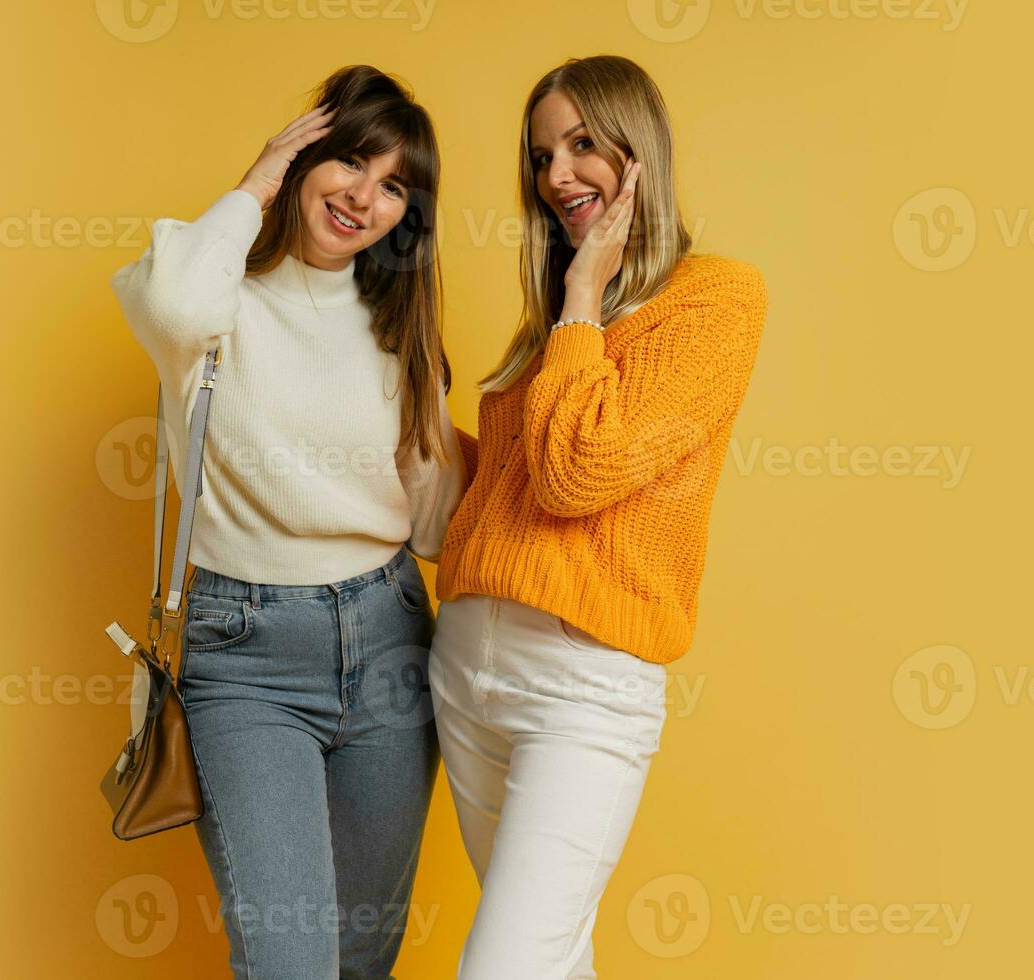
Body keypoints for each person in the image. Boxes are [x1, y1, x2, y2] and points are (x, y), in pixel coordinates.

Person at [110, 64, 466, 978]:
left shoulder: (397, 324)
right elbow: (172, 298)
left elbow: (432, 524)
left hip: (390, 635)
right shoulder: (215, 305)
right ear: (305, 157)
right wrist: (254, 181)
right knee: (290, 964)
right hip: (246, 654)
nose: (364, 198)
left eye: (394, 187)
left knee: (360, 958)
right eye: (349, 161)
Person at [428, 54, 769, 979]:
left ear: (639, 148)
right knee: (553, 962)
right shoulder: (553, 332)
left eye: (583, 145)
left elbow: (581, 471)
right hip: (464, 670)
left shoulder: (713, 301)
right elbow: (503, 495)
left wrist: (580, 300)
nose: (558, 176)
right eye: (542, 156)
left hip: (581, 687)